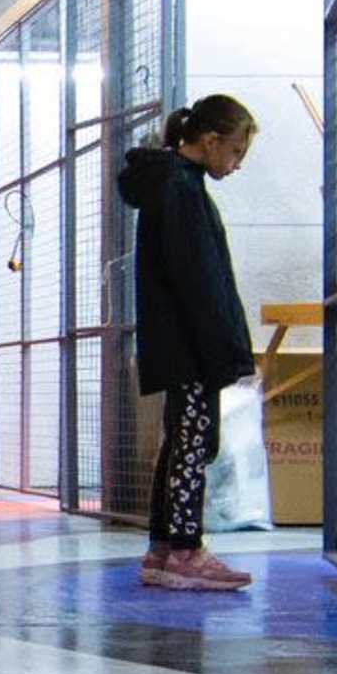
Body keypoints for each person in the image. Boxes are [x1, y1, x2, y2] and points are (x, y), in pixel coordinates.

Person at [117, 95, 260, 593]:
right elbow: (201, 281)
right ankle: (184, 549)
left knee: (181, 440)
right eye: (237, 151)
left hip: (177, 342)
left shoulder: (172, 186)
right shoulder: (181, 190)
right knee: (192, 443)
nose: (238, 164)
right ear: (210, 140)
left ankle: (164, 548)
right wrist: (227, 346)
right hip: (190, 345)